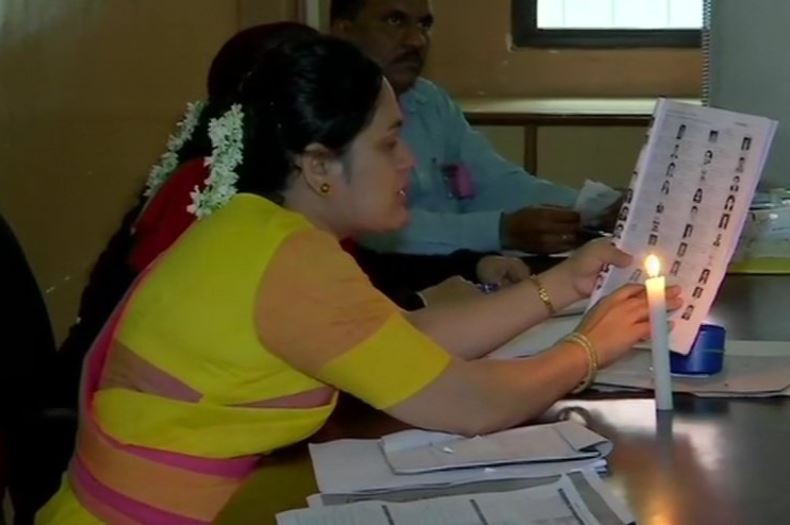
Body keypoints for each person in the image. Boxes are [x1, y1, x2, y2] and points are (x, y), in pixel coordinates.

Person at [37, 37, 680, 524]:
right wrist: (590, 346)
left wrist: (561, 287)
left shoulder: (253, 227)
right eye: (388, 143)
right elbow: (473, 404)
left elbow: (400, 335)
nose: (408, 162)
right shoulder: (291, 261)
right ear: (320, 163)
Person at [56, 22, 531, 411]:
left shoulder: (278, 202)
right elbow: (455, 396)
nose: (404, 159)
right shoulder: (214, 205)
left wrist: (468, 266)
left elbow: (364, 277)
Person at [330, 0, 610, 255]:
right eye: (395, 21)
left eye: (424, 25)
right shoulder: (328, 115)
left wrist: (593, 209)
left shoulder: (429, 100)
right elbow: (373, 232)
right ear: (344, 32)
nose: (416, 40)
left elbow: (493, 180)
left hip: (462, 269)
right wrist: (499, 231)